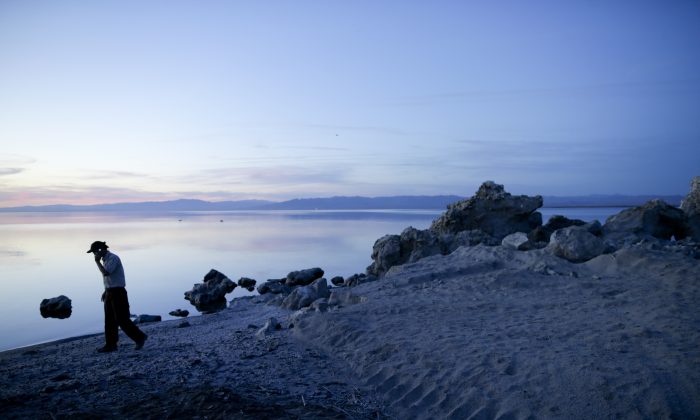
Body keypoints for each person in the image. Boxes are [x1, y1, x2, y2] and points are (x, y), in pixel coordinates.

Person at [87, 241, 147, 353]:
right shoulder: (105, 259)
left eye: (95, 252)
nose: (94, 254)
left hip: (118, 292)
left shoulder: (113, 258)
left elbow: (106, 273)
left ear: (100, 250)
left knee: (122, 319)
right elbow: (109, 279)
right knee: (109, 320)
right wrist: (105, 291)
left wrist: (97, 262)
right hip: (110, 292)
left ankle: (140, 337)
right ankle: (111, 345)